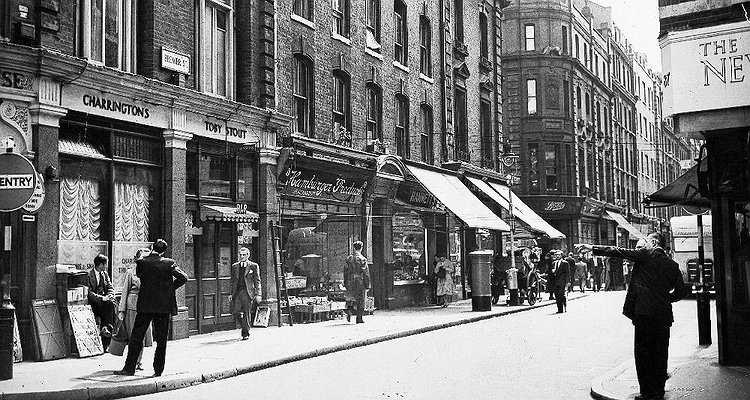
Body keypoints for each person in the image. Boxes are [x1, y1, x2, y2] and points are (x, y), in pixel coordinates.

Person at [576, 233, 687, 400]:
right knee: (660, 353)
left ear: (654, 243)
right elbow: (681, 292)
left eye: (647, 241)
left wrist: (592, 248)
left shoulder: (645, 256)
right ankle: (658, 392)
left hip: (644, 314)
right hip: (663, 316)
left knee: (643, 355)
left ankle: (647, 393)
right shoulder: (673, 265)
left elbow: (618, 251)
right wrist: (664, 299)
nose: (643, 245)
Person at [115, 239, 188, 377]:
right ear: (163, 251)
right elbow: (184, 277)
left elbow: (140, 275)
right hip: (163, 306)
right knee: (161, 340)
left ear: (152, 247)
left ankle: (129, 368)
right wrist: (170, 288)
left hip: (145, 305)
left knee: (136, 336)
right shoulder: (169, 263)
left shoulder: (141, 263)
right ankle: (158, 370)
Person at [117, 248, 153, 370]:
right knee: (134, 336)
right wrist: (122, 311)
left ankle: (138, 361)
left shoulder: (150, 272)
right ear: (136, 259)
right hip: (132, 307)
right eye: (141, 258)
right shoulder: (130, 272)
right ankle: (133, 362)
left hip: (146, 306)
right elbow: (124, 291)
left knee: (142, 336)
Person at [229, 247, 261, 340]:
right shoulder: (235, 266)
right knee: (236, 311)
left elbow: (257, 280)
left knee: (247, 312)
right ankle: (244, 326)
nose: (242, 256)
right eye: (240, 255)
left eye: (244, 255)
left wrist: (258, 294)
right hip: (237, 291)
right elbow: (233, 280)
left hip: (247, 292)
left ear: (248, 255)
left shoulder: (253, 266)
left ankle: (245, 333)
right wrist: (231, 293)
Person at [87, 254, 116, 349]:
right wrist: (102, 298)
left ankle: (106, 331)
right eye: (105, 264)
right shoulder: (88, 275)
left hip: (103, 303)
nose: (106, 266)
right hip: (93, 303)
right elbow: (89, 292)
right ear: (100, 265)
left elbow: (109, 286)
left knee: (110, 305)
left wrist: (110, 295)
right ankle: (106, 332)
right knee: (109, 309)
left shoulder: (105, 274)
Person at [344, 241, 371, 323]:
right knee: (361, 299)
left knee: (351, 297)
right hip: (359, 280)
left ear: (354, 248)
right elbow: (366, 273)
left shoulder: (349, 258)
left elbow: (345, 271)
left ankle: (349, 310)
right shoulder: (363, 259)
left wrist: (346, 282)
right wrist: (367, 285)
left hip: (350, 280)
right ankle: (359, 318)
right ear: (361, 248)